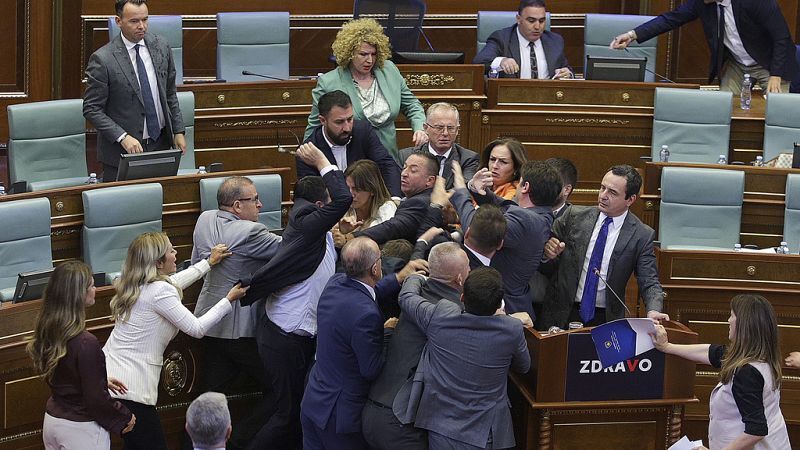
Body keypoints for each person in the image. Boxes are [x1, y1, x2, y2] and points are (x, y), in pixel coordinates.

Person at [242, 144, 352, 449]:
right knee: (286, 414)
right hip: (285, 338)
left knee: (288, 410)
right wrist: (322, 161)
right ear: (320, 205)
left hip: (294, 335)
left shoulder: (314, 227)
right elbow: (344, 198)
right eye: (327, 206)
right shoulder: (307, 220)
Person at [103, 232, 248, 450]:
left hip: (113, 379)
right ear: (158, 263)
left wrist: (208, 263)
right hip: (130, 388)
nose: (176, 253)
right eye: (171, 250)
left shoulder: (140, 284)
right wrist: (228, 300)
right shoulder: (159, 291)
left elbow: (175, 282)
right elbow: (197, 329)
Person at [301, 237, 426, 449]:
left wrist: (397, 277)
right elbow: (370, 368)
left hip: (314, 402)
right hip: (339, 417)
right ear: (376, 268)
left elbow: (362, 292)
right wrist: (386, 333)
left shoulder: (335, 284)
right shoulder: (367, 316)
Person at [191, 176, 282, 449]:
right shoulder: (250, 231)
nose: (260, 204)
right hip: (238, 331)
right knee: (281, 390)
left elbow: (198, 261)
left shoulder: (204, 219)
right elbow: (291, 249)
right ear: (237, 206)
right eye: (254, 199)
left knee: (209, 398)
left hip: (210, 322)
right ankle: (240, 441)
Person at [397, 267, 532, 449]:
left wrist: (416, 277)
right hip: (486, 436)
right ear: (499, 304)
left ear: (462, 297)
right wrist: (507, 320)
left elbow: (406, 297)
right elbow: (523, 367)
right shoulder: (512, 329)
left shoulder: (440, 317)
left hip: (442, 430)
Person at [363, 242, 470, 449]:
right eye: (467, 268)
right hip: (401, 424)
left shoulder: (414, 294)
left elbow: (411, 286)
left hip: (371, 411)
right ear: (459, 278)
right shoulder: (454, 313)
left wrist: (415, 277)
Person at [651, 294, 790, 449]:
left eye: (732, 316)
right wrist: (667, 347)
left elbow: (756, 430)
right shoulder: (761, 357)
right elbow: (712, 352)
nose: (728, 321)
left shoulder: (746, 373)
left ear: (745, 325)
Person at [538, 165, 669, 329]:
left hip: (606, 318)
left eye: (612, 192)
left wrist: (653, 309)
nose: (603, 196)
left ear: (631, 199)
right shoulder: (574, 216)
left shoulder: (641, 235)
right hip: (561, 311)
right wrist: (547, 252)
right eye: (602, 188)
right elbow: (543, 245)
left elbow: (649, 280)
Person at [27, 261, 135, 450]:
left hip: (52, 422)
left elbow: (65, 374)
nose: (95, 289)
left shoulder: (49, 330)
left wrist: (99, 379)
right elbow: (96, 399)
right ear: (79, 294)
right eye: (91, 285)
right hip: (80, 430)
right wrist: (124, 417)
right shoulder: (86, 342)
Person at [83, 0, 185, 182]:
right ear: (118, 21)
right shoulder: (103, 59)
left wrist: (178, 130)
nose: (142, 26)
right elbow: (92, 109)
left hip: (160, 146)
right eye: (134, 21)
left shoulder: (161, 46)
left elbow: (169, 92)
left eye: (145, 20)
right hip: (123, 153)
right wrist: (122, 137)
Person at [609, 0, 799, 94]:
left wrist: (776, 74)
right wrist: (632, 35)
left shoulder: (755, 2)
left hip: (770, 63)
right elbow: (671, 18)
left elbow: (782, 36)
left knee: (777, 109)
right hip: (738, 65)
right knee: (723, 108)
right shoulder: (702, 3)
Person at [448, 161, 561, 317]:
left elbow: (478, 227)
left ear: (526, 187)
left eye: (519, 182)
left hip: (504, 311)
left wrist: (461, 190)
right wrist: (475, 189)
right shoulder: (541, 216)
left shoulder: (526, 220)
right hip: (513, 306)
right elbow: (505, 206)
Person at [304, 18, 427, 160]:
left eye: (373, 54)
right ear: (349, 53)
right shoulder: (329, 82)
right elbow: (314, 127)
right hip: (352, 162)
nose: (369, 60)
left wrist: (419, 127)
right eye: (363, 54)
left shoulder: (389, 70)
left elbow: (412, 105)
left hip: (387, 159)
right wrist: (307, 156)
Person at [299, 90, 402, 197]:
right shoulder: (308, 152)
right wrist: (322, 163)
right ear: (323, 120)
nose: (347, 128)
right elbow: (315, 197)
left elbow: (386, 165)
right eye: (339, 122)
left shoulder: (363, 132)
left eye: (350, 119)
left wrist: (394, 200)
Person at [354, 151, 442, 245]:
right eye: (404, 167)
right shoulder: (416, 198)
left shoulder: (419, 202)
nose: (404, 173)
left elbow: (393, 227)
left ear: (430, 180)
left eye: (413, 171)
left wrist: (353, 237)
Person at [473, 0, 572, 79]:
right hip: (512, 98)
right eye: (531, 21)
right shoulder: (502, 38)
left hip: (547, 98)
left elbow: (566, 68)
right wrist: (501, 61)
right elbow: (478, 63)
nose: (537, 26)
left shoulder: (555, 41)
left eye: (541, 21)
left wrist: (568, 74)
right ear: (519, 19)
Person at [398, 103, 480, 190]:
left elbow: (465, 188)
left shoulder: (468, 159)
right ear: (426, 128)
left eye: (450, 128)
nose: (445, 133)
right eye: (439, 128)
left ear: (457, 130)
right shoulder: (406, 156)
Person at [333, 159, 398, 248]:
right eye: (348, 188)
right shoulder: (343, 206)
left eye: (357, 189)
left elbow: (383, 238)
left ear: (372, 190)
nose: (351, 194)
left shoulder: (387, 208)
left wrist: (348, 238)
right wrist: (338, 232)